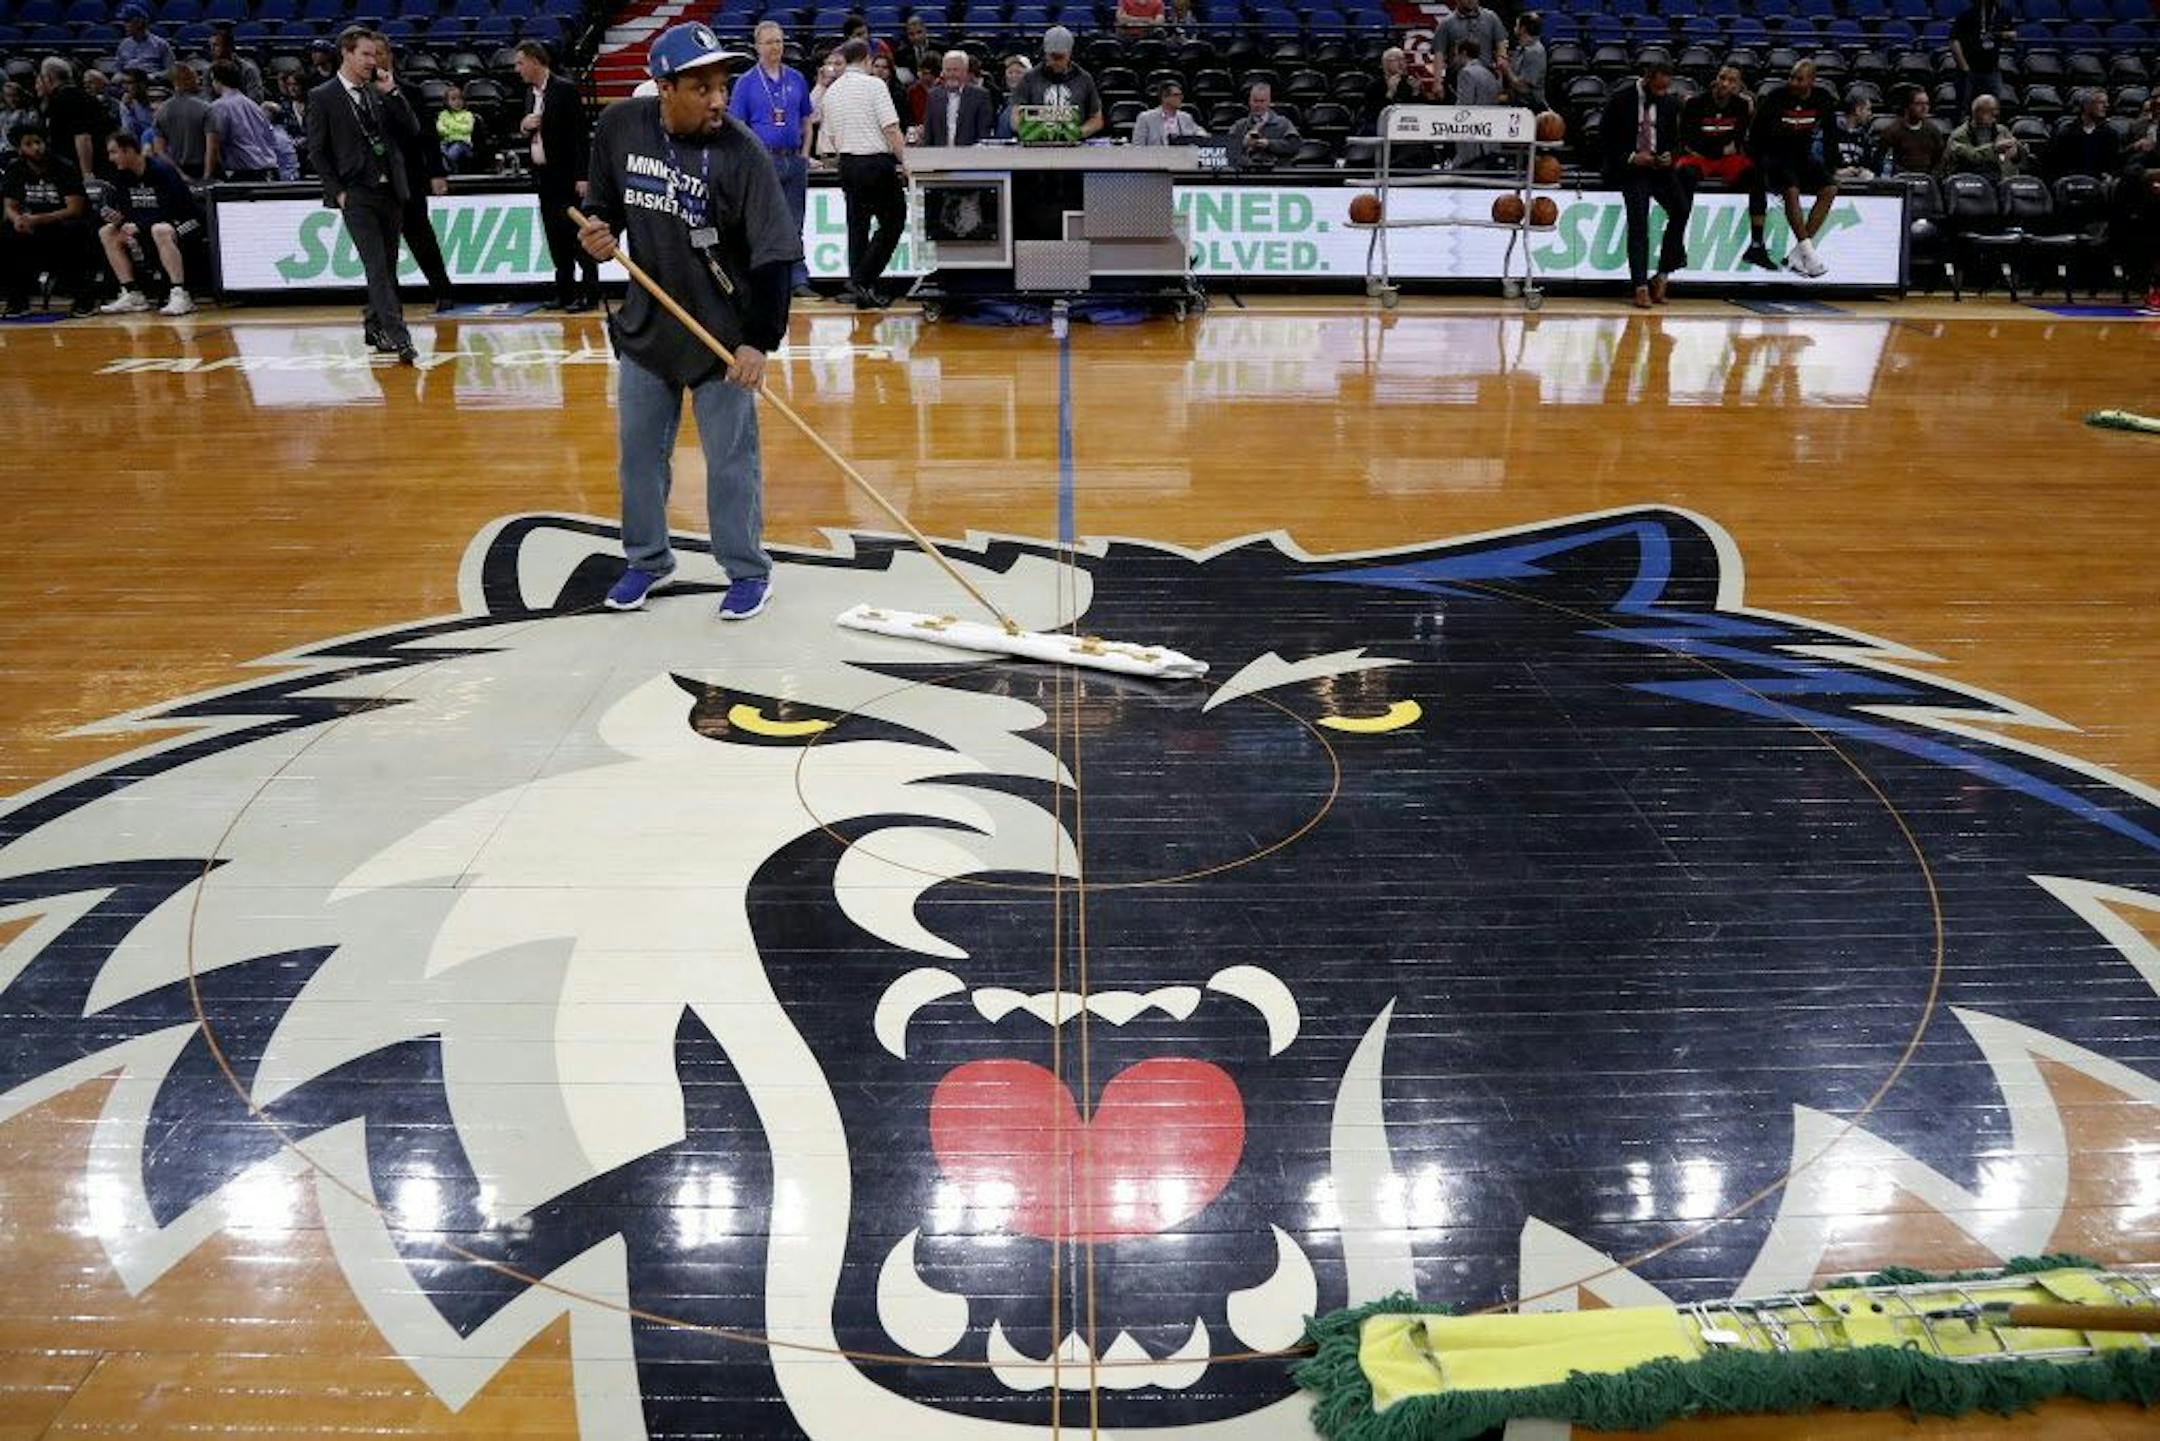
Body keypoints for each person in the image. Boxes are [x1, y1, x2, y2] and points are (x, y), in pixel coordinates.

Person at [577, 22, 800, 622]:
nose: (719, 101)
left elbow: (776, 255)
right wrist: (596, 236)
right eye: (702, 88)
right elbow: (600, 207)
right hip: (649, 327)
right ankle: (647, 560)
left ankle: (749, 571)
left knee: (731, 461)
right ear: (664, 87)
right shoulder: (621, 126)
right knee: (639, 456)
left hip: (722, 337)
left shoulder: (742, 151)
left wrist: (758, 342)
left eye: (722, 86)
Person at [305, 26, 421, 362]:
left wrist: (393, 93)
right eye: (366, 55)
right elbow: (318, 151)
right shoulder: (322, 96)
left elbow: (411, 131)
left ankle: (374, 323)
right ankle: (401, 339)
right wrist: (337, 192)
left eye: (375, 55)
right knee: (377, 266)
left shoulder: (377, 90)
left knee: (386, 266)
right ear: (347, 52)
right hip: (356, 193)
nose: (373, 61)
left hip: (390, 190)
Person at [728, 20, 815, 297]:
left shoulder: (797, 77)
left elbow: (806, 120)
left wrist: (804, 154)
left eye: (779, 41)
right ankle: (765, 282)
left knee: (795, 222)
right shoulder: (746, 83)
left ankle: (798, 281)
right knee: (763, 224)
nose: (775, 47)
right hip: (763, 162)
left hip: (794, 160)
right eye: (769, 42)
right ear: (757, 47)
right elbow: (737, 127)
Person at [820, 38, 909, 308]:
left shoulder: (832, 92)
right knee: (893, 222)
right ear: (868, 60)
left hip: (847, 163)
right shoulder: (875, 85)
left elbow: (830, 139)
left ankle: (860, 289)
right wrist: (906, 162)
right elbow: (891, 128)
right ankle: (861, 280)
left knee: (857, 228)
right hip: (876, 163)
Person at [514, 40, 598, 312]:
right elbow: (531, 131)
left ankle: (589, 293)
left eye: (520, 63)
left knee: (577, 236)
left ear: (536, 61)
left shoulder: (565, 90)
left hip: (567, 177)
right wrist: (524, 126)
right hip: (543, 177)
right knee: (554, 237)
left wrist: (582, 176)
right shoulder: (530, 94)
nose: (517, 69)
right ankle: (565, 292)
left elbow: (579, 136)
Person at [1601, 58, 1691, 306]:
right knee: (1639, 221)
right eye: (1658, 89)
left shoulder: (1669, 102)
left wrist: (1670, 156)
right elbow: (1604, 140)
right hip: (1631, 169)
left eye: (1666, 89)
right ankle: (1640, 285)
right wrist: (1631, 157)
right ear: (1647, 78)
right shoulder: (1620, 99)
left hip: (1659, 169)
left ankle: (1662, 275)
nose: (1662, 94)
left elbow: (1678, 141)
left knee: (1681, 210)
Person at [1749, 59, 1841, 277]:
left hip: (1802, 156)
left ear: (1811, 81)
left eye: (1799, 79)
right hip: (1775, 156)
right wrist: (1760, 164)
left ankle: (1797, 254)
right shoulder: (1775, 98)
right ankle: (1808, 252)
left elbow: (1831, 136)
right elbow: (1755, 135)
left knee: (1830, 189)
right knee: (1791, 191)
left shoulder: (1822, 99)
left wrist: (1833, 167)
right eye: (1791, 77)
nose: (1793, 82)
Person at [1677, 65, 1773, 270]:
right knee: (1685, 174)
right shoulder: (1695, 103)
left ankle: (1757, 245)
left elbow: (1737, 141)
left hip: (1724, 158)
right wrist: (1718, 150)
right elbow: (1688, 140)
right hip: (1698, 156)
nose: (1725, 84)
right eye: (1722, 78)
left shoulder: (1740, 106)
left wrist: (1720, 150)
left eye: (1731, 81)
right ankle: (1677, 243)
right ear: (1715, 79)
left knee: (1756, 175)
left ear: (1739, 85)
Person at [95, 129, 201, 314]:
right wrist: (120, 219)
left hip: (186, 221)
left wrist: (139, 224)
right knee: (107, 232)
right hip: (149, 223)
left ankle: (180, 293)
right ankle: (132, 293)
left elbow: (172, 208)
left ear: (128, 150)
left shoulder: (161, 170)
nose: (111, 158)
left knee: (160, 230)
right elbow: (128, 208)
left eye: (114, 152)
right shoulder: (122, 175)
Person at [1, 123, 97, 315]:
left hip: (62, 222)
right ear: (19, 149)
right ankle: (18, 300)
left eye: (38, 142)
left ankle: (84, 299)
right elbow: (9, 206)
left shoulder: (64, 167)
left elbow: (74, 209)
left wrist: (36, 219)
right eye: (29, 144)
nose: (36, 147)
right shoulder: (15, 169)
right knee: (8, 236)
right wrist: (18, 219)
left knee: (74, 233)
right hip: (32, 225)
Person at [1010, 26, 1104, 137]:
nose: (1056, 62)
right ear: (1045, 53)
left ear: (1070, 53)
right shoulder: (1029, 79)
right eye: (1052, 57)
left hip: (1075, 148)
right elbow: (1015, 117)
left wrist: (1078, 133)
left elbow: (1097, 119)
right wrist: (1030, 132)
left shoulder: (1084, 79)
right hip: (1036, 147)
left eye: (1060, 57)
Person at [204, 59, 281, 180]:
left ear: (217, 80)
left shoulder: (219, 107)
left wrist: (208, 174)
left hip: (245, 174)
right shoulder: (253, 105)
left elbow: (215, 143)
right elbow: (270, 138)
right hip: (269, 170)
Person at [38, 58, 111, 180]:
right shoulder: (86, 96)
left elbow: (83, 137)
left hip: (77, 168)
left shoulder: (63, 100)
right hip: (94, 162)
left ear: (48, 77)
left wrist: (87, 173)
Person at [2044, 89, 2121, 181]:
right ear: (2086, 106)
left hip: (2100, 185)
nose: (2106, 106)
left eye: (2106, 102)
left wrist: (2110, 175)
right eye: (2101, 102)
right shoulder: (2066, 134)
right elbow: (2053, 164)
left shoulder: (2110, 134)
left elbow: (2115, 164)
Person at [919, 50, 994, 146]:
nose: (951, 74)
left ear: (965, 71)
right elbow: (929, 134)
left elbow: (984, 135)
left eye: (955, 70)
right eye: (948, 70)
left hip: (970, 157)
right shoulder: (933, 96)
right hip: (939, 157)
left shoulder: (980, 96)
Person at [1949, 0, 2009, 115]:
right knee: (1966, 109)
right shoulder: (1967, 14)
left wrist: (2001, 35)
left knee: (1993, 109)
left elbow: (2012, 33)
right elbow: (1954, 41)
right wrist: (1964, 66)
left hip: (1992, 70)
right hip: (1969, 71)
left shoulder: (2002, 13)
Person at [1948, 92, 2026, 177]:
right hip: (1971, 180)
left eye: (1996, 111)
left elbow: (2018, 154)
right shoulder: (1959, 135)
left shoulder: (2002, 130)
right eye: (1990, 112)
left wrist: (2017, 151)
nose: (1995, 115)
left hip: (2000, 178)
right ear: (1977, 113)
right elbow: (1972, 156)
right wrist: (1994, 148)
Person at [1449, 41, 1501, 166]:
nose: (1455, 59)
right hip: (1489, 138)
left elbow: (1464, 107)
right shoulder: (1488, 73)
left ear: (1464, 53)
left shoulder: (1466, 73)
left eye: (1456, 55)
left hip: (1473, 142)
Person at [154, 62, 210, 179]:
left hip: (177, 170)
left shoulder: (161, 111)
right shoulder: (206, 108)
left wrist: (180, 174)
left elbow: (159, 151)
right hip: (204, 168)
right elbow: (212, 146)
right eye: (195, 77)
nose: (198, 81)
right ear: (186, 80)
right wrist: (207, 175)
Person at [1227, 80, 1299, 170]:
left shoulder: (1283, 124)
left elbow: (1294, 146)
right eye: (1255, 101)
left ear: (1269, 102)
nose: (1258, 105)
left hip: (1277, 175)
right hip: (1246, 176)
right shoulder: (1239, 125)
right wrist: (1244, 143)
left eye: (1262, 101)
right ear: (1249, 101)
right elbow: (1226, 150)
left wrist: (1269, 144)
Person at [1878, 87, 1946, 176]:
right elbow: (1885, 161)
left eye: (1927, 104)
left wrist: (1932, 176)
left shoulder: (1933, 131)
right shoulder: (1892, 132)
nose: (1924, 108)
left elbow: (1940, 160)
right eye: (1919, 104)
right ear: (1908, 106)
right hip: (1901, 180)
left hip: (1927, 180)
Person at [1436, 0, 1508, 84]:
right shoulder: (1446, 23)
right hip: (1457, 78)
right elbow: (1439, 53)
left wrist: (1501, 57)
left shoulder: (1491, 18)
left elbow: (1501, 42)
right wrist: (1437, 82)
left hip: (1485, 76)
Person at [1499, 12, 1547, 115]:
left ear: (1523, 29)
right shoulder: (1521, 49)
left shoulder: (1534, 52)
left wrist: (1506, 69)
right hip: (1517, 105)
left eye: (1516, 25)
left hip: (1530, 110)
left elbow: (1523, 88)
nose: (1514, 28)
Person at [1131, 79, 1204, 144]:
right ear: (1164, 97)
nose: (1181, 98)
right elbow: (1138, 146)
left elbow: (1199, 132)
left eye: (1181, 95)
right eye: (1176, 95)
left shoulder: (1186, 117)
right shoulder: (1146, 118)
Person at [205, 27, 265, 104]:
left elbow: (256, 99)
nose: (212, 49)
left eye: (216, 45)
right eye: (210, 45)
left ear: (228, 47)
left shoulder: (248, 69)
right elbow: (207, 98)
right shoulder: (209, 70)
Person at [115, 7, 176, 78]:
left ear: (139, 22)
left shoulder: (160, 44)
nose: (124, 25)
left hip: (151, 81)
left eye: (127, 21)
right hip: (127, 80)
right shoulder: (123, 44)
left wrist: (154, 76)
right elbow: (118, 69)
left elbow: (171, 70)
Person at [436, 83, 481, 172]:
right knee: (439, 152)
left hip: (462, 143)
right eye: (453, 99)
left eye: (460, 99)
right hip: (446, 142)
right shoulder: (443, 115)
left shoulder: (468, 115)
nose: (457, 102)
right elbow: (440, 129)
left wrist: (450, 127)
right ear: (447, 102)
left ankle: (450, 170)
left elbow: (467, 129)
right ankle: (450, 168)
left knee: (452, 153)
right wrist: (457, 128)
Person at [1835, 93, 1876, 180]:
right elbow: (1818, 165)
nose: (1870, 114)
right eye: (1868, 109)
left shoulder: (1865, 137)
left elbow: (1868, 165)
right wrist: (1837, 172)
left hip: (1857, 185)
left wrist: (1861, 171)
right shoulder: (1831, 132)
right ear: (1858, 110)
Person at [993, 55, 1030, 139]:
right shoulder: (1000, 100)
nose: (1014, 76)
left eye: (1018, 72)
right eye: (1010, 72)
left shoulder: (1032, 100)